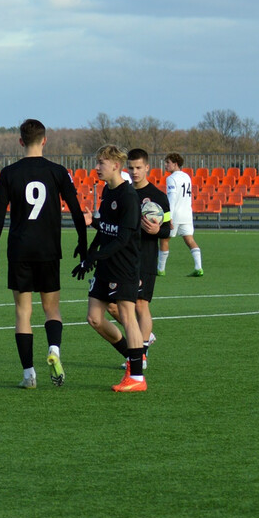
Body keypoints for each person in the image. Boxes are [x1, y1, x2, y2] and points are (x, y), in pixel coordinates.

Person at [0, 119, 87, 389]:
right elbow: (77, 210)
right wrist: (83, 242)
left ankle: (29, 374)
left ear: (21, 141)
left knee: (23, 313)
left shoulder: (9, 173)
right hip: (48, 249)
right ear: (45, 140)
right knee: (52, 308)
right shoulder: (58, 171)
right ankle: (54, 349)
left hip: (19, 250)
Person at [73, 145, 146, 392]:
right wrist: (90, 252)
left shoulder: (128, 197)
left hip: (124, 267)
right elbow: (106, 229)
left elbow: (123, 238)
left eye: (101, 162)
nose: (97, 167)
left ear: (116, 165)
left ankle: (137, 377)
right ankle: (131, 356)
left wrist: (95, 257)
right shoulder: (107, 192)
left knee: (127, 316)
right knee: (94, 318)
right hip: (106, 265)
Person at [107, 148, 171, 371]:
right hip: (122, 260)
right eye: (131, 168)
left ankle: (140, 353)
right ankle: (144, 337)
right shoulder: (124, 193)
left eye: (138, 168)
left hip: (145, 259)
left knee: (141, 305)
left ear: (147, 168)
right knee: (113, 306)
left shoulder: (159, 197)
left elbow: (168, 229)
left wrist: (157, 230)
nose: (134, 172)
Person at [158, 152, 203, 277]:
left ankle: (160, 269)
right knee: (190, 239)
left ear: (175, 164)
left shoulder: (171, 178)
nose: (165, 165)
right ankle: (198, 267)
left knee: (164, 239)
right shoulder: (186, 176)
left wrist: (169, 217)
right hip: (187, 214)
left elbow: (172, 198)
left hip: (176, 214)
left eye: (168, 163)